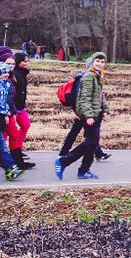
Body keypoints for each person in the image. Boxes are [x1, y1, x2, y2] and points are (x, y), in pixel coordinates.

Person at [55, 52, 109, 180]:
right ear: (92, 63)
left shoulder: (98, 76)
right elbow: (84, 98)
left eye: (102, 62)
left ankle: (84, 170)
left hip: (97, 113)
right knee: (90, 141)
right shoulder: (89, 76)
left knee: (92, 143)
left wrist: (105, 109)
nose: (100, 64)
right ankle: (63, 161)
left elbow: (100, 95)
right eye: (97, 61)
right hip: (91, 115)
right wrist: (89, 116)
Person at [6, 53, 35, 169]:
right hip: (13, 108)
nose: (26, 63)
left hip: (20, 106)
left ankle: (18, 148)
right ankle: (2, 154)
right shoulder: (12, 75)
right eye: (25, 61)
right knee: (6, 133)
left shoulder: (21, 73)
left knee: (25, 125)